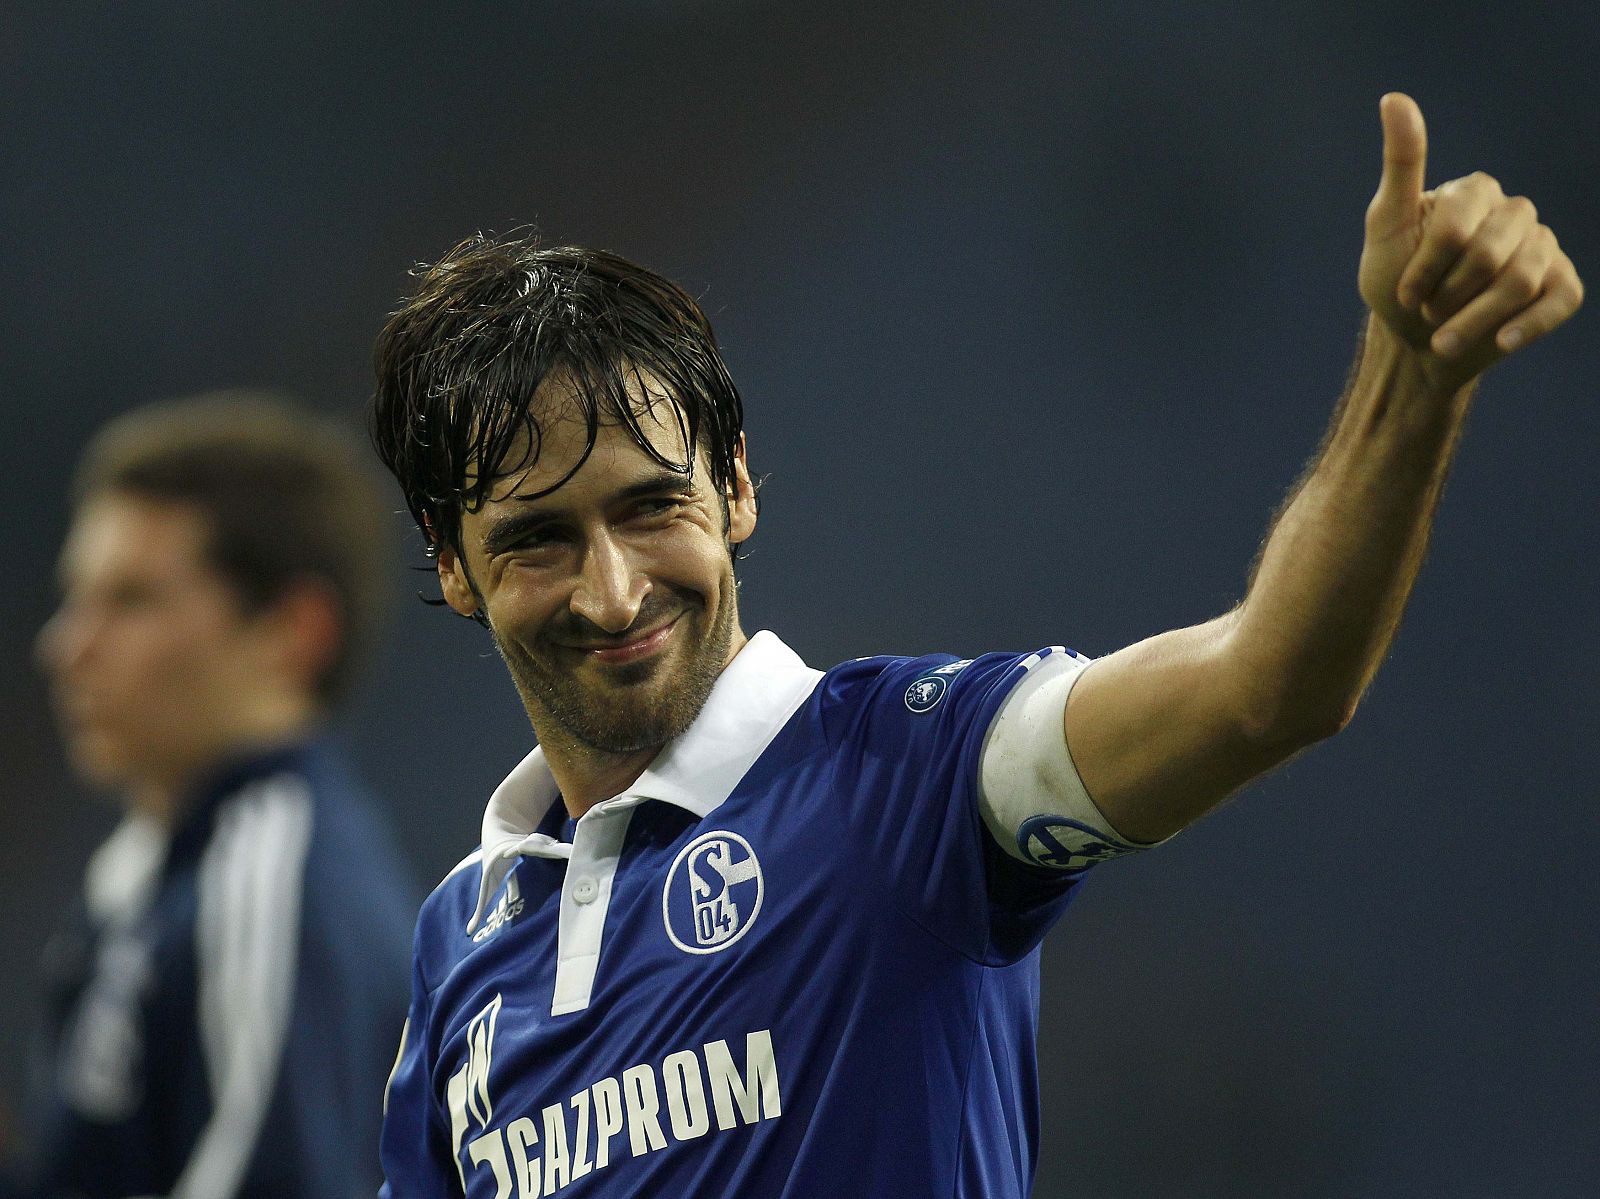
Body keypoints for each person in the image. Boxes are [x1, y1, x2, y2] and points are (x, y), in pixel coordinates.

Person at [369, 94, 1582, 1198]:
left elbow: (1265, 687)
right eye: (538, 539)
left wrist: (1409, 381)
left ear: (735, 487)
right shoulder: (461, 941)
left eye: (652, 505)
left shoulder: (914, 772)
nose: (614, 588)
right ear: (450, 561)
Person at [10, 394, 417, 1199]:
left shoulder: (274, 881)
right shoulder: (148, 872)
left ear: (292, 631)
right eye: (75, 597)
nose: (64, 647)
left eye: (129, 600)